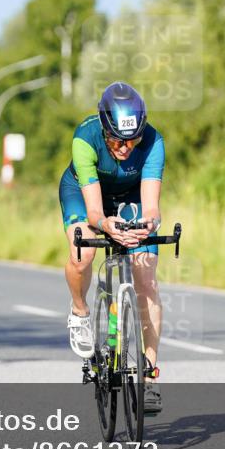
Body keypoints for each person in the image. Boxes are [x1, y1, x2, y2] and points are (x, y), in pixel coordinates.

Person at [59, 81, 166, 413]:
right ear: (104, 129)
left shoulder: (153, 142)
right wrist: (106, 224)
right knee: (84, 253)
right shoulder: (85, 138)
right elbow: (94, 213)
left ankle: (149, 374)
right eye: (117, 140)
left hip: (130, 197)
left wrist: (148, 226)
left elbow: (151, 208)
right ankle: (79, 311)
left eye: (133, 139)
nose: (125, 148)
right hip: (85, 193)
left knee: (146, 277)